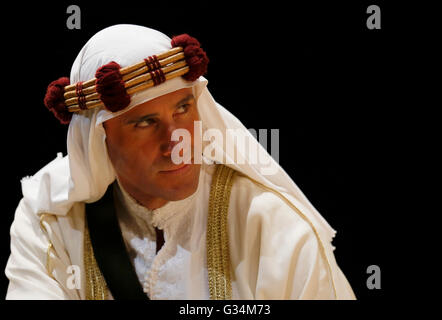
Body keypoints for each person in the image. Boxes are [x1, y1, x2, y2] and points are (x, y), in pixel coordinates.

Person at [4, 24, 356, 300]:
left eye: (183, 109)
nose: (178, 143)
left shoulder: (272, 226)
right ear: (100, 138)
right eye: (145, 122)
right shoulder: (49, 220)